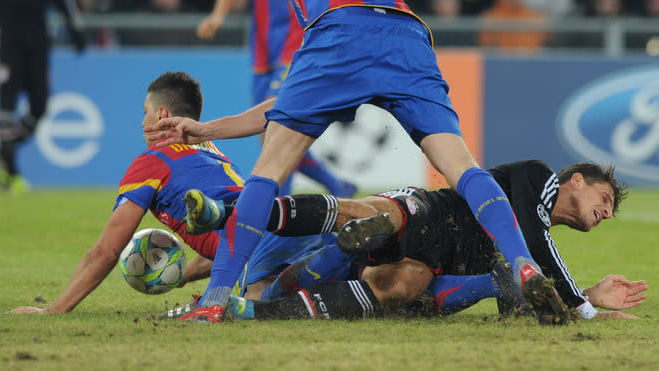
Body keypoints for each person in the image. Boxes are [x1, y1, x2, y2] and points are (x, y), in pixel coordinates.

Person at [146, 0, 565, 324]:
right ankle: (521, 262)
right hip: (408, 33)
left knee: (269, 170)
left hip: (339, 25)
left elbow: (284, 109)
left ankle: (215, 299)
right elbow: (283, 104)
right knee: (464, 167)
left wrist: (217, 18)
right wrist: (209, 129)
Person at [8, 71, 336, 314]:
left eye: (145, 111)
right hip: (288, 223)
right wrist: (180, 277)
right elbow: (227, 243)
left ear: (162, 115)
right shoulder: (210, 148)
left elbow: (106, 251)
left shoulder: (151, 163)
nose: (141, 122)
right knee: (350, 276)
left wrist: (53, 311)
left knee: (258, 307)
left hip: (259, 252)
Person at [169, 160, 647, 323]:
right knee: (366, 213)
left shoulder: (537, 240)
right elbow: (539, 250)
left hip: (446, 261)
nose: (605, 214)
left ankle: (254, 311)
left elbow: (539, 277)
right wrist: (584, 304)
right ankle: (229, 212)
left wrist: (585, 297)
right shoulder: (535, 178)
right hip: (435, 212)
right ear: (576, 181)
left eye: (609, 215)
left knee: (401, 285)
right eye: (604, 199)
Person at [196, 0, 356, 198]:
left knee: (278, 127)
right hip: (263, 57)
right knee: (272, 135)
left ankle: (278, 202)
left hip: (295, 49)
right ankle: (336, 185)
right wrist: (218, 16)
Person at [0, 0, 86, 194]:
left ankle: (7, 147)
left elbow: (64, 3)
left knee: (40, 106)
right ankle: (11, 171)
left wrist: (74, 29)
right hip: (6, 44)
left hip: (37, 44)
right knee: (6, 105)